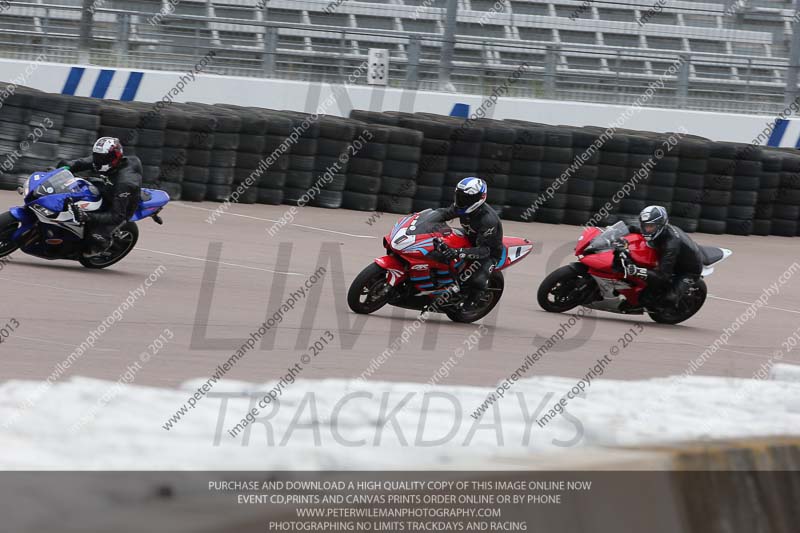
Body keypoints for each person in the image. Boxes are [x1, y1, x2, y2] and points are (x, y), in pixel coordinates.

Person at [55, 137, 142, 257]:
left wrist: (88, 216)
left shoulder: (125, 182)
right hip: (107, 188)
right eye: (97, 156)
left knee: (95, 239)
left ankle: (102, 247)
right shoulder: (104, 161)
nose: (98, 160)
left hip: (120, 206)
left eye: (102, 158)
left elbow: (117, 216)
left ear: (115, 157)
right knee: (75, 186)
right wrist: (65, 167)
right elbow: (82, 162)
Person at [433, 177, 504, 305]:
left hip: (488, 251)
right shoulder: (461, 207)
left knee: (476, 281)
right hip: (469, 237)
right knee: (436, 244)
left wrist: (458, 252)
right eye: (459, 196)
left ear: (479, 198)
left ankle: (472, 302)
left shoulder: (488, 220)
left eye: (466, 198)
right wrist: (425, 217)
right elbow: (444, 213)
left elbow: (484, 250)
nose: (461, 201)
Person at [626, 205, 704, 306]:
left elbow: (663, 276)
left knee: (668, 300)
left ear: (660, 225)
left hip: (688, 270)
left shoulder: (671, 245)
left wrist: (637, 271)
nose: (647, 230)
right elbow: (632, 227)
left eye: (651, 226)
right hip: (670, 256)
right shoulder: (654, 229)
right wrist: (615, 232)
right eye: (645, 225)